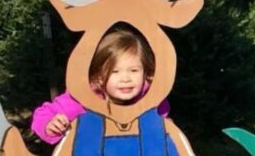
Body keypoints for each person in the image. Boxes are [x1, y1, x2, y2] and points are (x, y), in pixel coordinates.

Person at [31, 27, 170, 144]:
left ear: (146, 72)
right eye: (115, 72)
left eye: (134, 70)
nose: (126, 78)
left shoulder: (153, 101)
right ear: (99, 76)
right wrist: (50, 125)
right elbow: (42, 115)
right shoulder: (83, 99)